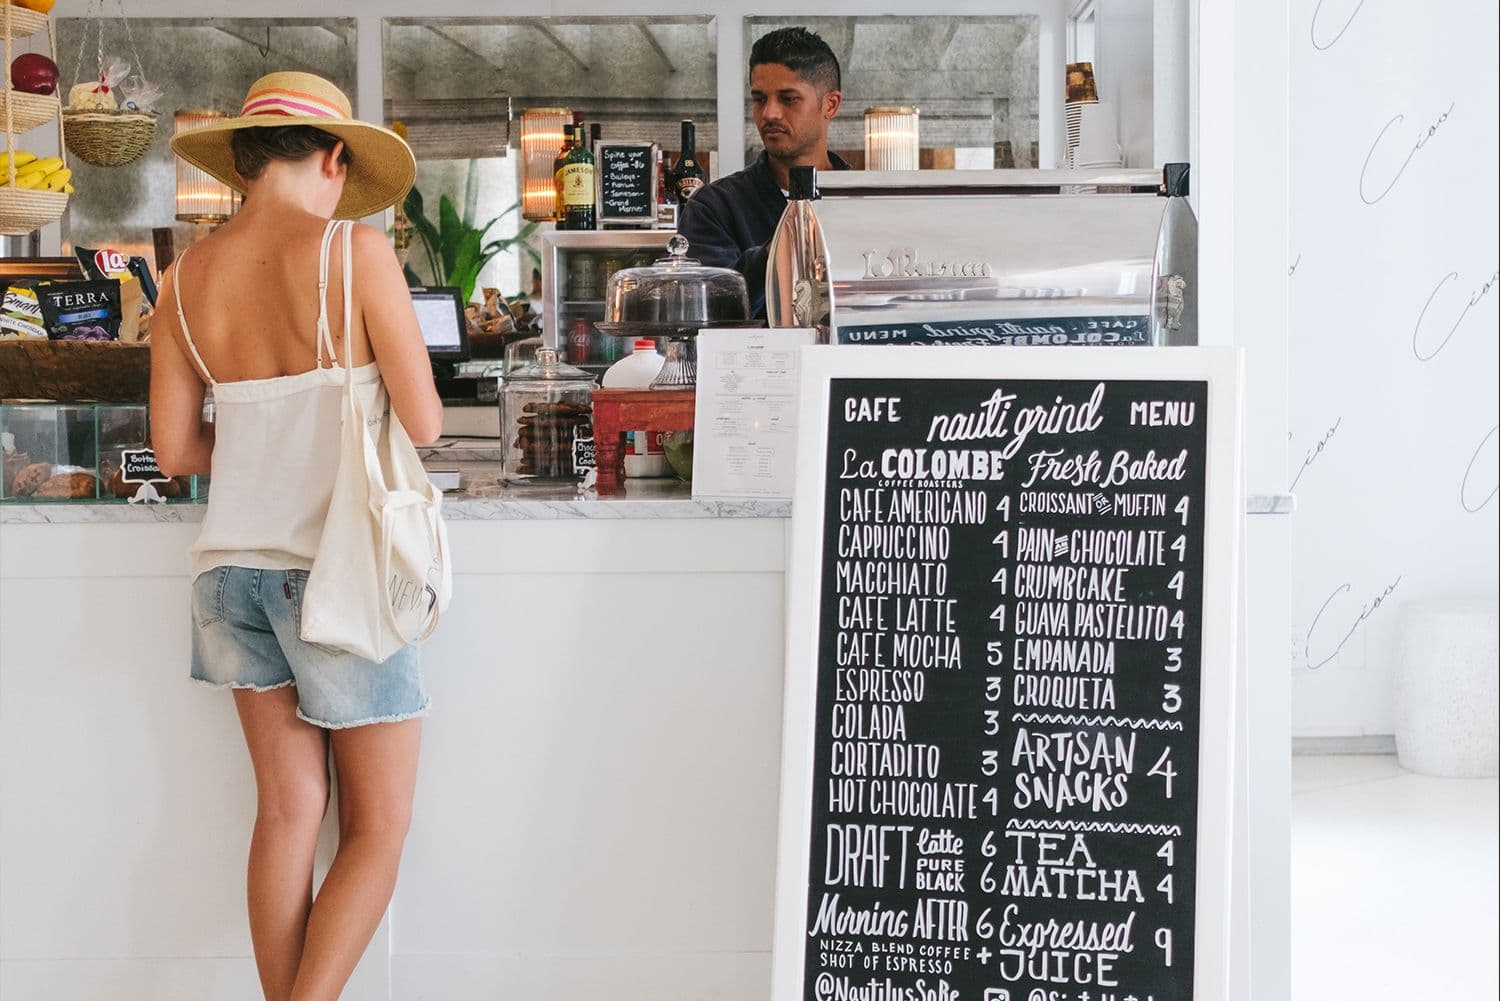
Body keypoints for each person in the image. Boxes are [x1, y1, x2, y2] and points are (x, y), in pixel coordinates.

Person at [150, 71, 442, 1001]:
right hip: (338, 573)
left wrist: (265, 433)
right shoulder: (353, 250)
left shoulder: (182, 281)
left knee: (286, 812)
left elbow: (175, 447)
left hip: (228, 576)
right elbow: (427, 422)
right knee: (378, 827)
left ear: (240, 165)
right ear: (333, 159)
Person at [678, 26, 850, 315]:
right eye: (759, 99)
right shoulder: (713, 207)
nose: (769, 113)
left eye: (788, 98)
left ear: (830, 105)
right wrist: (782, 249)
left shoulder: (864, 203)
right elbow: (707, 313)